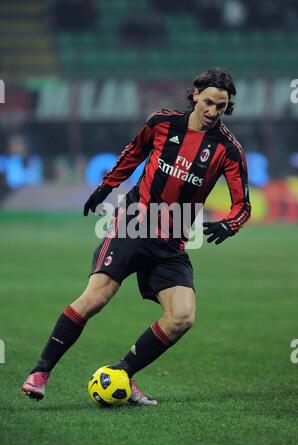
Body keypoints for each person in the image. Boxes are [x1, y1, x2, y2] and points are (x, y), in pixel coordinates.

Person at [22, 68, 251, 405]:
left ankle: (122, 374)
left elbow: (242, 204)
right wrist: (105, 188)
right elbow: (132, 154)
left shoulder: (228, 150)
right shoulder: (161, 122)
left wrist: (229, 225)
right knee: (96, 297)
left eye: (221, 106)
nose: (213, 112)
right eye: (208, 103)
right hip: (134, 224)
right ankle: (40, 372)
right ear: (194, 95)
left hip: (172, 241)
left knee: (183, 316)